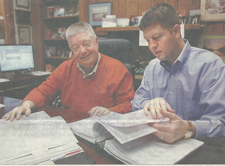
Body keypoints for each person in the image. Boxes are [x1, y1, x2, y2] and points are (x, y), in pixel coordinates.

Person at [131, 4, 225, 143]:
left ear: (177, 31)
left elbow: (224, 124)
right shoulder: (152, 68)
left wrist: (187, 128)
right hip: (158, 145)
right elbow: (136, 103)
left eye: (157, 37)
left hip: (200, 150)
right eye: (147, 40)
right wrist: (149, 104)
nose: (152, 46)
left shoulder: (210, 65)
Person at [2, 21, 135, 121]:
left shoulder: (118, 69)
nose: (82, 51)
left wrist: (109, 111)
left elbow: (129, 105)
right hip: (71, 127)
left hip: (103, 127)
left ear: (96, 42)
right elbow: (43, 91)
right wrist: (26, 104)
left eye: (87, 44)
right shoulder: (65, 68)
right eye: (76, 48)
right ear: (71, 49)